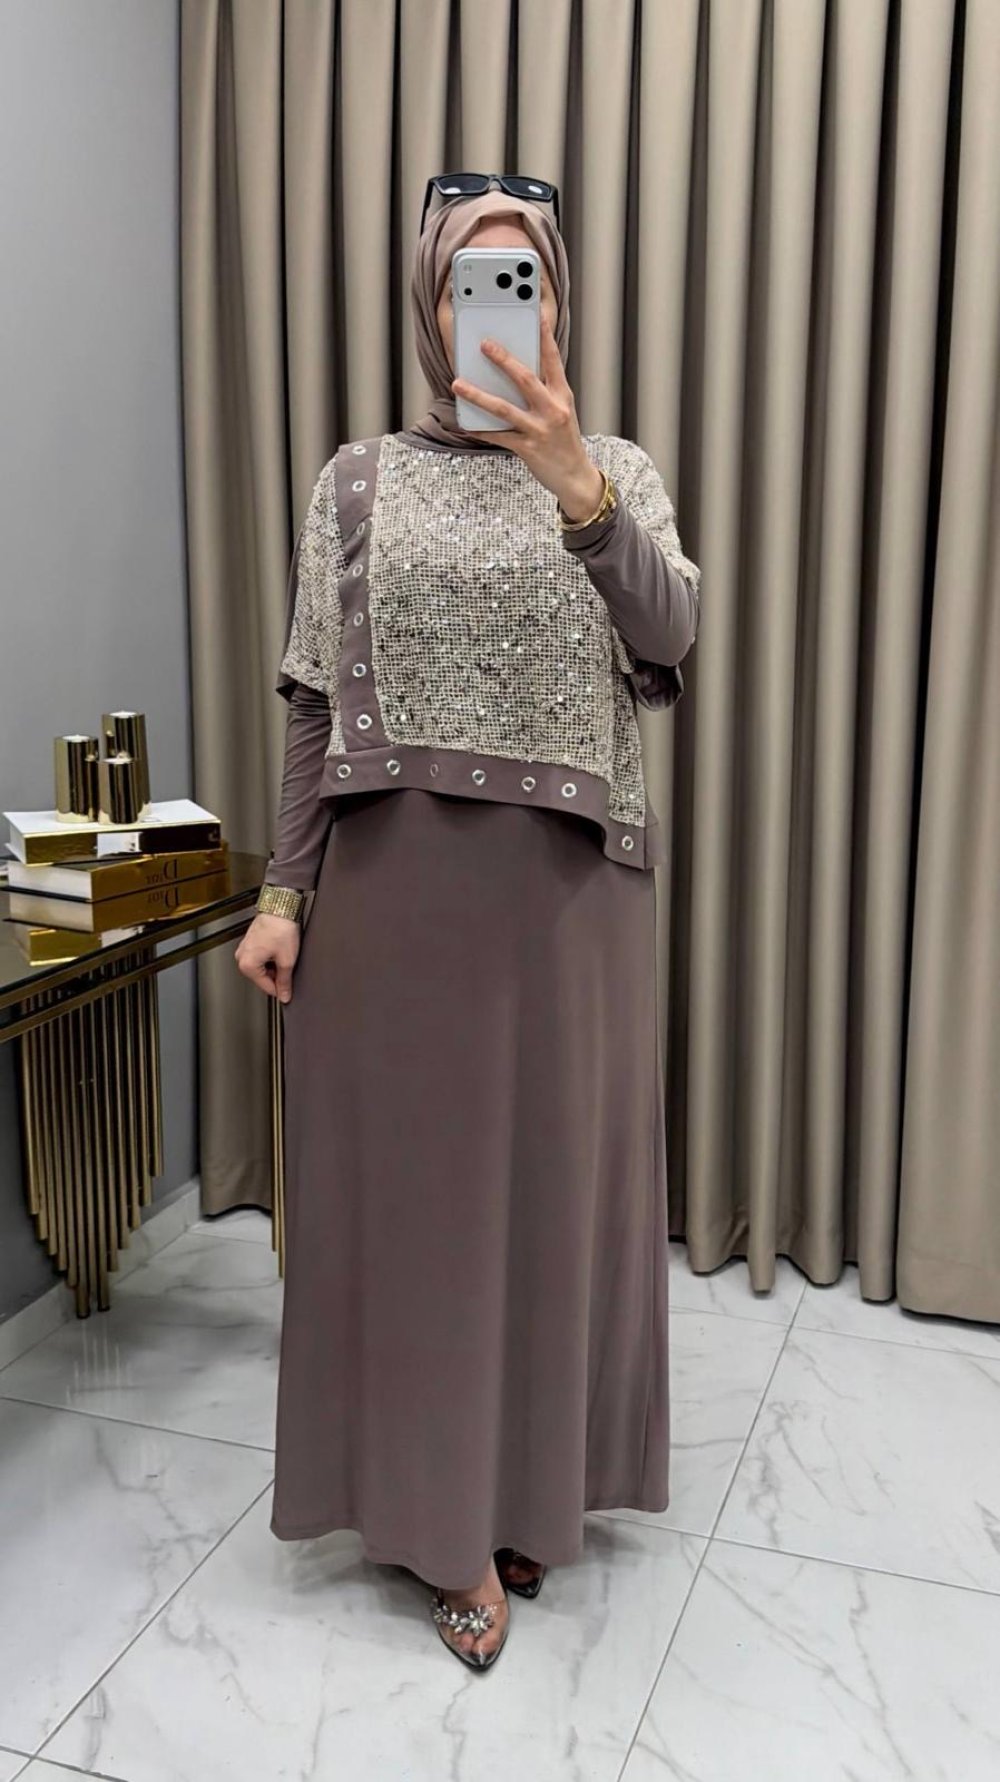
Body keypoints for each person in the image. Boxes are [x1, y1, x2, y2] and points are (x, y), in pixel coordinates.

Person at [234, 181, 701, 1672]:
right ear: (433, 311)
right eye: (467, 286)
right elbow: (315, 702)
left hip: (570, 910)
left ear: (555, 302)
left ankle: (532, 1495)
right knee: (426, 1220)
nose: (496, 308)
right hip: (396, 903)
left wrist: (577, 485)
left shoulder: (615, 471)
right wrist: (284, 892)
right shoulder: (355, 482)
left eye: (523, 282)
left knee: (552, 1207)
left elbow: (671, 635)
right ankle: (443, 1529)